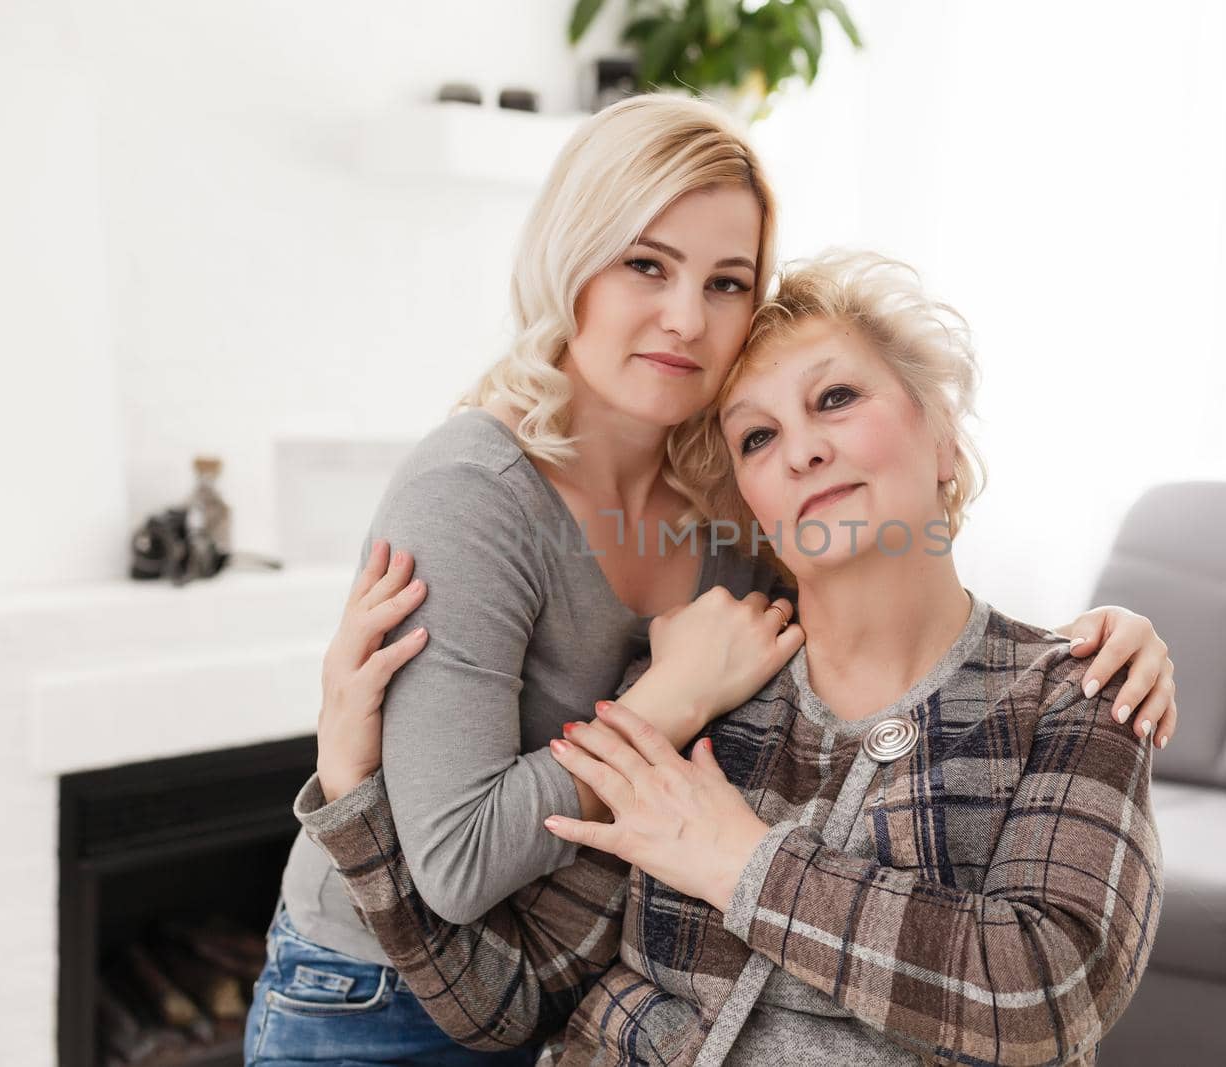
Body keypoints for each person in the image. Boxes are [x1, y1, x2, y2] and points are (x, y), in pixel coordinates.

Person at [246, 95, 1178, 1067]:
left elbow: (1041, 986)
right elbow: (491, 941)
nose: (687, 317)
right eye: (645, 262)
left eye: (727, 282)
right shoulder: (502, 514)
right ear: (574, 261)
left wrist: (743, 859)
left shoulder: (1045, 687)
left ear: (946, 433)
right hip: (366, 987)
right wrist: (354, 790)